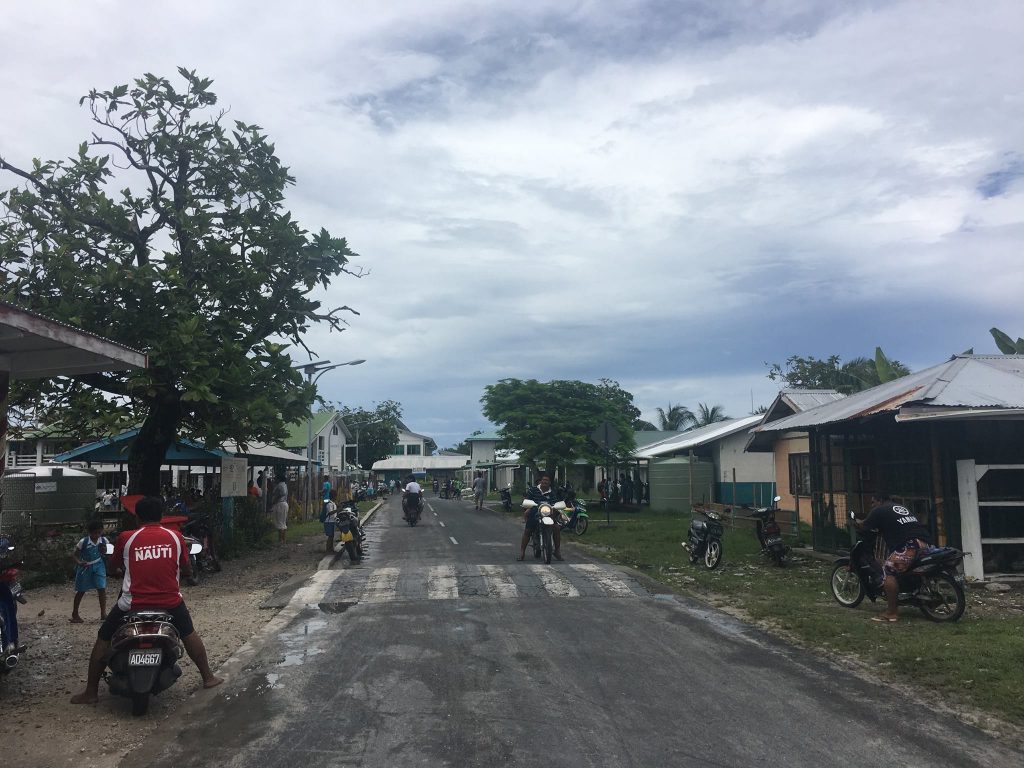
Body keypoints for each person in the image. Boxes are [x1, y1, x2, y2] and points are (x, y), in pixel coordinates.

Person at [71, 496, 223, 704]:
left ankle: (91, 691)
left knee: (103, 637)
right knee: (188, 633)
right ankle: (208, 677)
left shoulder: (126, 538)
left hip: (131, 603)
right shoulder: (176, 537)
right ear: (161, 516)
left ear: (137, 517)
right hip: (170, 602)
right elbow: (187, 569)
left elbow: (112, 567)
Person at [855, 492, 934, 623]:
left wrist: (856, 522)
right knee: (907, 570)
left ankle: (891, 612)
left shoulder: (879, 510)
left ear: (880, 501)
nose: (872, 505)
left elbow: (865, 525)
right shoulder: (899, 508)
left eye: (873, 502)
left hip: (909, 545)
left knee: (888, 571)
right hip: (925, 543)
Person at [517, 474, 562, 562]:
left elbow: (554, 504)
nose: (545, 482)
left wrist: (556, 509)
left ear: (549, 483)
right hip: (535, 512)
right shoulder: (533, 490)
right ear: (540, 481)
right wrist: (528, 508)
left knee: (556, 528)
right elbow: (527, 500)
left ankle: (557, 551)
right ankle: (522, 552)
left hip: (548, 513)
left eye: (547, 480)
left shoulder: (552, 492)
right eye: (543, 480)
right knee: (528, 530)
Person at [70, 520, 109, 623]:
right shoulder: (84, 542)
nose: (96, 535)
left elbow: (107, 552)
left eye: (99, 533)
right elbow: (74, 555)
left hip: (99, 565)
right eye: (94, 533)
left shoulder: (103, 540)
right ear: (89, 532)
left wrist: (104, 550)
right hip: (86, 567)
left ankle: (103, 613)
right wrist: (79, 562)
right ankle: (75, 613)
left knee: (101, 588)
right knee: (81, 590)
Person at [270, 476, 289, 548]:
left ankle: (280, 541)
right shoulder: (285, 485)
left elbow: (279, 494)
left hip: (280, 504)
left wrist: (273, 501)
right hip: (284, 504)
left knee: (280, 523)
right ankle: (283, 541)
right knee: (283, 523)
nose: (275, 480)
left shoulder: (279, 486)